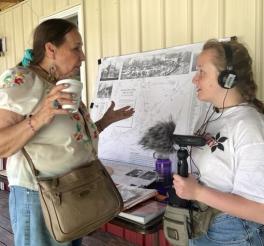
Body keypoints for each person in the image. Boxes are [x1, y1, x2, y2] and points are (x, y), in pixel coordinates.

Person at [0, 18, 134, 246]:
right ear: (51, 49)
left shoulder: (58, 84)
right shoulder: (21, 80)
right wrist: (41, 115)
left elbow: (68, 139)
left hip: (72, 193)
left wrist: (104, 122)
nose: (82, 56)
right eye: (76, 48)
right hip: (40, 196)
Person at [173, 39, 264, 245]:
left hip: (234, 233)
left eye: (202, 72)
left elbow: (260, 211)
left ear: (227, 79)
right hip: (202, 223)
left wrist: (197, 191)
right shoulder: (212, 117)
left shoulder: (249, 127)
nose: (195, 80)